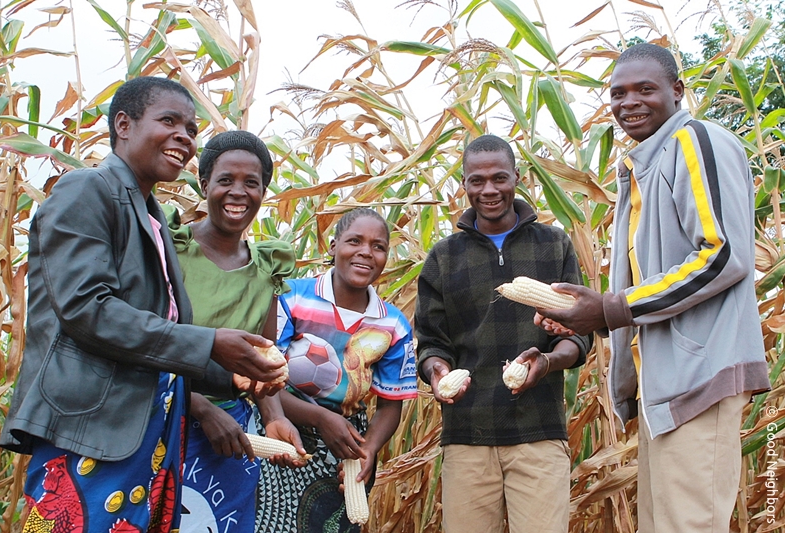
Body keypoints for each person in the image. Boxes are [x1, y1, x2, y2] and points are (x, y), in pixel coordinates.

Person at [0, 77, 285, 533]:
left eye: (191, 129)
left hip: (149, 444)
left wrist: (233, 377)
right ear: (124, 125)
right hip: (91, 435)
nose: (185, 137)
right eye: (169, 121)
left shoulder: (150, 217)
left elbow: (153, 340)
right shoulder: (86, 191)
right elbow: (87, 310)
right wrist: (209, 342)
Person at [536, 43, 770, 533]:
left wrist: (613, 308)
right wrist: (589, 315)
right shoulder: (643, 165)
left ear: (677, 91)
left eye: (646, 89)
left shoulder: (694, 141)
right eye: (618, 93)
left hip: (699, 377)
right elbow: (652, 276)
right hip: (664, 386)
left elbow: (723, 254)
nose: (629, 102)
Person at [414, 134, 592, 533]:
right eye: (477, 180)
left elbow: (577, 334)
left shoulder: (553, 244)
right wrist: (438, 372)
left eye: (499, 178)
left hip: (538, 431)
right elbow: (430, 342)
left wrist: (546, 362)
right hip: (467, 434)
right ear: (463, 184)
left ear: (517, 176)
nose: (489, 190)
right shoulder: (444, 256)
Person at [166, 130, 306, 533]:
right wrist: (200, 407)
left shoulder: (266, 270)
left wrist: (274, 418)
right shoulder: (172, 251)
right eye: (225, 180)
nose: (238, 192)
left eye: (252, 183)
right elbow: (143, 342)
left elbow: (262, 364)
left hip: (230, 436)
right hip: (161, 420)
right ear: (204, 184)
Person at [254, 208, 418, 533]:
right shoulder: (291, 297)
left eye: (378, 246)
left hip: (345, 445)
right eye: (354, 241)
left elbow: (390, 406)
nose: (365, 253)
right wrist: (319, 418)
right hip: (280, 426)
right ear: (333, 246)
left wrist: (368, 449)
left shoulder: (394, 325)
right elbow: (263, 379)